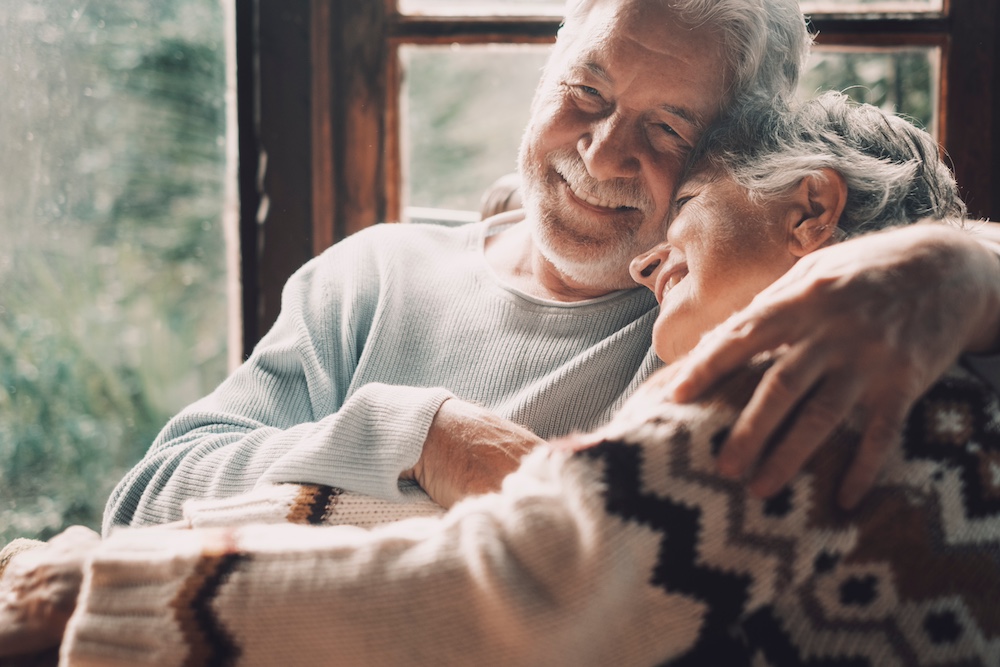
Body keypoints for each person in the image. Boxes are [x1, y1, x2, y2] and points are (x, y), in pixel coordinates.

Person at [5, 92, 997, 667]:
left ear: (811, 208)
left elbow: (496, 588)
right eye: (584, 96)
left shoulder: (781, 401)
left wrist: (93, 588)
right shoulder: (959, 368)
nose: (647, 264)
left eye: (684, 195)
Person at [102, 0, 1000, 538]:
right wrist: (421, 436)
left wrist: (952, 266)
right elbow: (143, 504)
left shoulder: (711, 316)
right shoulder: (371, 275)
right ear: (546, 71)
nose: (602, 151)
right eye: (587, 91)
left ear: (725, 157)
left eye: (667, 130)